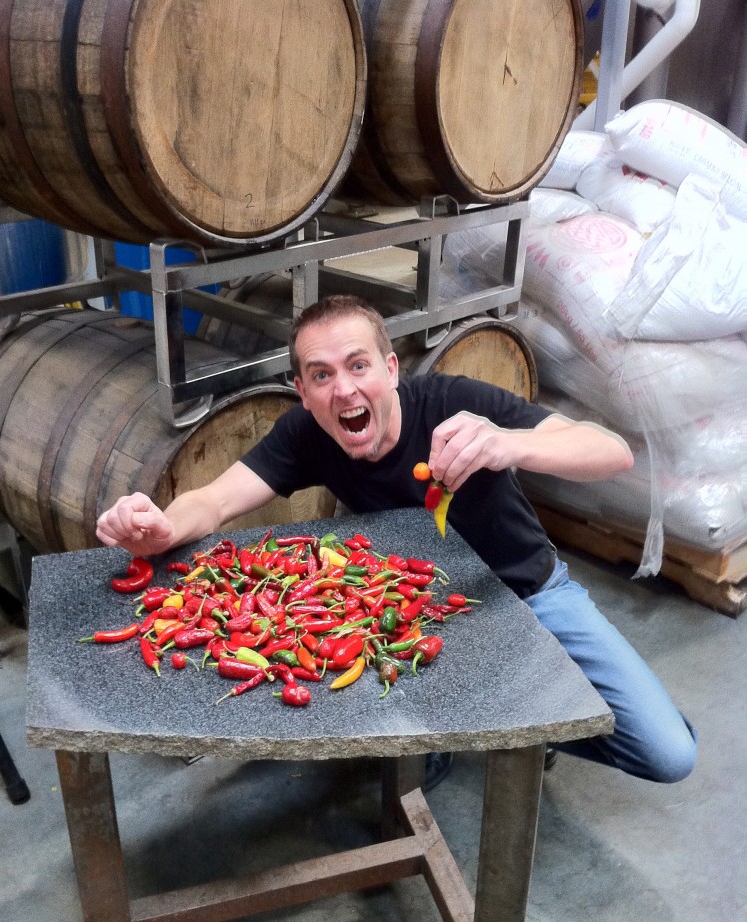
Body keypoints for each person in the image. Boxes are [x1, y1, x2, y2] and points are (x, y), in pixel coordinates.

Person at [97, 294, 697, 786]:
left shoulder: (455, 404)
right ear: (302, 391)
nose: (344, 391)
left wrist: (510, 444)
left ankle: (517, 728)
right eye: (321, 376)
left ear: (390, 369)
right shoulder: (306, 433)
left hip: (529, 593)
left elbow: (611, 451)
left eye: (358, 366)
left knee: (668, 755)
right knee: (385, 755)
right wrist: (163, 526)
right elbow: (215, 499)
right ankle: (468, 729)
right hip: (415, 618)